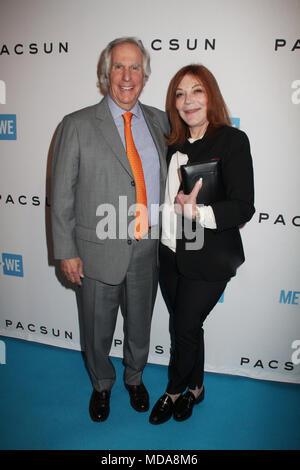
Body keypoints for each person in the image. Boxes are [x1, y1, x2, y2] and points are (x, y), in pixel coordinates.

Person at [51, 37, 169, 422]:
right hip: (96, 250)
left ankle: (134, 378)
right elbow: (62, 194)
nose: (127, 75)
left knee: (140, 325)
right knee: (97, 329)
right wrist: (66, 250)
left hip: (147, 247)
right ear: (106, 74)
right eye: (119, 66)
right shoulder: (77, 124)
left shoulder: (159, 121)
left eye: (135, 67)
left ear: (145, 75)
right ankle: (102, 385)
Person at [149, 64, 255, 424]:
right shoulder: (172, 144)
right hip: (168, 252)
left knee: (183, 326)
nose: (187, 100)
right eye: (179, 93)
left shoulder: (231, 141)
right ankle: (197, 388)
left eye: (196, 90)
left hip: (208, 257)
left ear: (211, 95)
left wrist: (200, 213)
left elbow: (243, 207)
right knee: (188, 325)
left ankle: (174, 391)